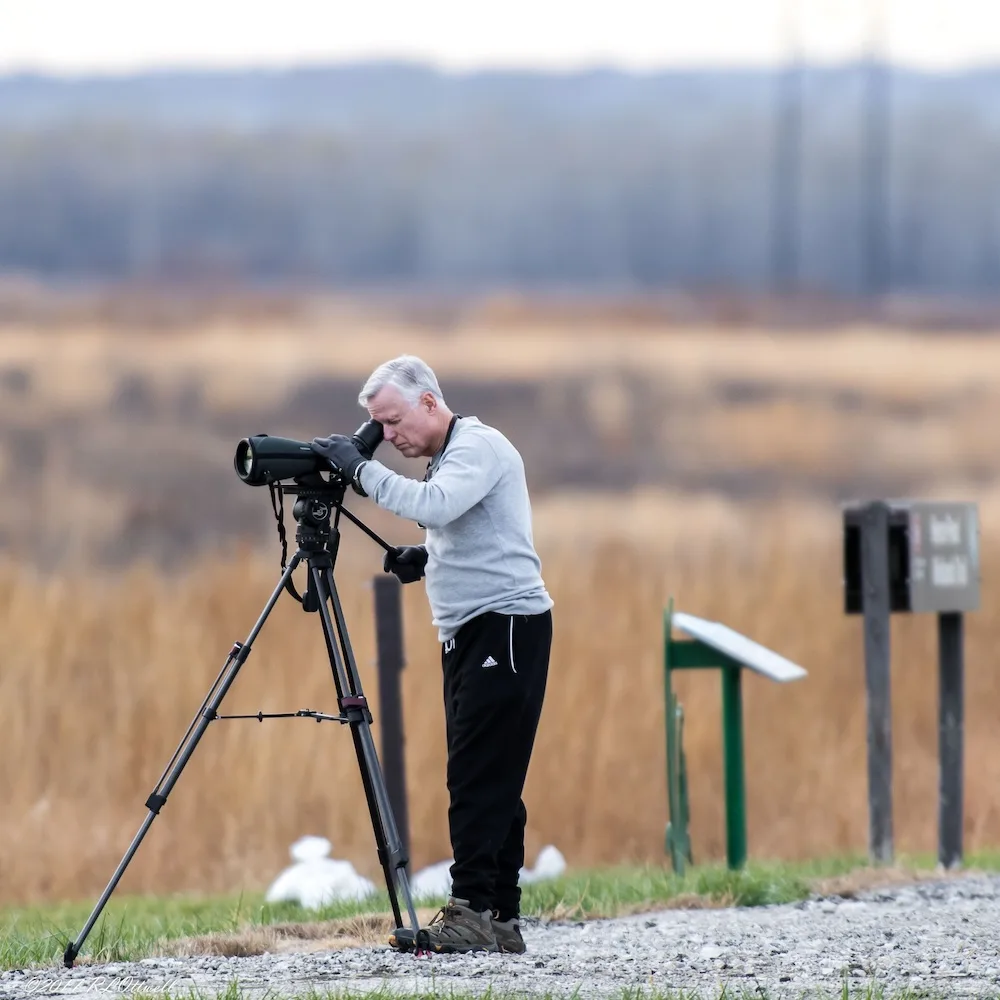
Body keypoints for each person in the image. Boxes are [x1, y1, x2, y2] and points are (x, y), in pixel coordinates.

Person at [310, 355, 553, 955]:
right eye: (378, 427)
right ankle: (500, 916)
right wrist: (431, 557)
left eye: (392, 422)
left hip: (506, 627)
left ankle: (469, 910)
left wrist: (358, 469)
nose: (389, 437)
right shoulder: (451, 454)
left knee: (475, 774)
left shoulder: (478, 445)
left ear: (427, 401)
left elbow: (436, 505)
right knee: (494, 776)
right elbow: (465, 523)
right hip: (479, 629)